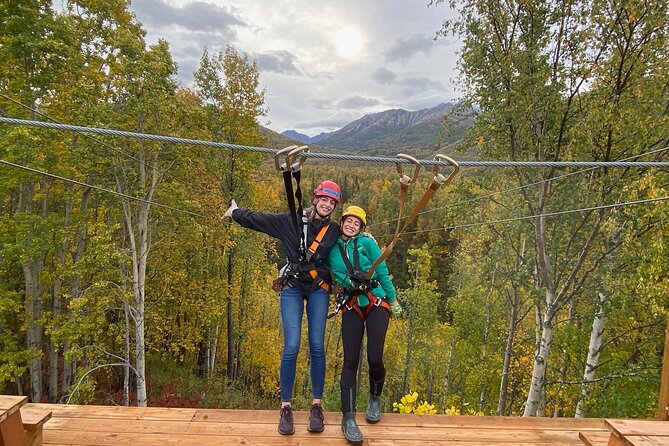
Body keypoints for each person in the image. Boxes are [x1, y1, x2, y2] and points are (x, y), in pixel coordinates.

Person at [222, 180, 342, 435]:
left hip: (319, 287)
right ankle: (286, 407)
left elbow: (352, 242)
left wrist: (366, 239)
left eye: (331, 202)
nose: (327, 204)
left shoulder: (333, 230)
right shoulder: (292, 220)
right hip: (293, 286)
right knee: (291, 345)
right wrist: (235, 213)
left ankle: (316, 406)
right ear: (315, 199)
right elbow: (261, 221)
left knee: (318, 345)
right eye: (324, 199)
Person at [328, 205, 402, 445]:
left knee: (374, 357)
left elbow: (382, 271)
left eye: (356, 223)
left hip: (375, 301)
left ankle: (374, 397)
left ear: (361, 228)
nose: (351, 225)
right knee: (350, 360)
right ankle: (348, 418)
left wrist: (392, 299)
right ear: (342, 222)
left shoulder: (367, 244)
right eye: (348, 221)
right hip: (351, 304)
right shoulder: (333, 248)